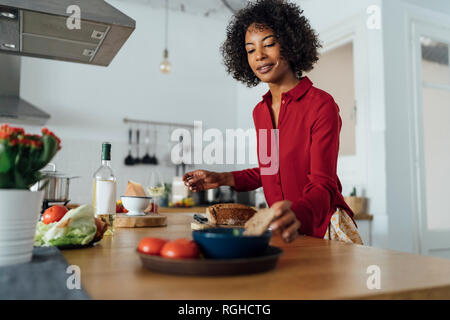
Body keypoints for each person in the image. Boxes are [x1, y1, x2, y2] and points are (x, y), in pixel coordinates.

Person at [183, 0, 362, 244]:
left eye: (269, 44)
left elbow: (323, 186)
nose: (259, 56)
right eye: (250, 50)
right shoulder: (261, 111)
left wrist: (294, 214)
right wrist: (222, 178)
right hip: (283, 228)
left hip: (323, 227)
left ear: (289, 44)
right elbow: (270, 168)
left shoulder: (321, 104)